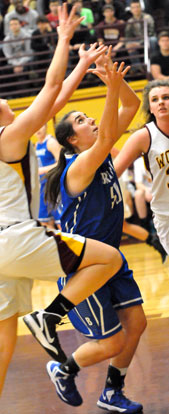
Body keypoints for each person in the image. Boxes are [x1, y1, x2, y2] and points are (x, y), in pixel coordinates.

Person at [0, 3, 123, 396]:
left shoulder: (13, 135)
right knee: (110, 257)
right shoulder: (8, 138)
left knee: (4, 342)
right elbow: (50, 92)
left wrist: (80, 62)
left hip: (2, 247)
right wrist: (65, 39)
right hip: (15, 237)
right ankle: (49, 317)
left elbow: (53, 103)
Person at [43, 50, 147, 413]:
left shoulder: (98, 154)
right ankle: (63, 368)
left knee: (137, 323)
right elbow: (104, 139)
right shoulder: (78, 166)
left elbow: (131, 107)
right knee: (111, 343)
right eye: (82, 120)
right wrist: (109, 92)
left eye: (89, 117)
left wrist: (115, 83)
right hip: (84, 269)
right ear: (73, 139)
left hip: (111, 260)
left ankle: (112, 394)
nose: (91, 121)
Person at [113, 78, 169, 256]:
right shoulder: (144, 136)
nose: (161, 102)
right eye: (155, 99)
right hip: (166, 215)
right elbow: (114, 172)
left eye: (166, 97)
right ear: (150, 108)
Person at [35, 123, 61, 228]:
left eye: (40, 125)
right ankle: (55, 244)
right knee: (44, 223)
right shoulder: (37, 145)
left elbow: (61, 163)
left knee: (60, 223)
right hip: (43, 187)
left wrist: (43, 170)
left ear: (45, 125)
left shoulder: (51, 142)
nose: (38, 129)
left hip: (53, 186)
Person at [124, 0, 157, 73]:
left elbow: (151, 33)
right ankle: (138, 68)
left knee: (153, 40)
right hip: (137, 41)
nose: (136, 9)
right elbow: (128, 36)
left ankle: (154, 62)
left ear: (140, 8)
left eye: (137, 7)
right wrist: (131, 43)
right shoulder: (130, 21)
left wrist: (139, 43)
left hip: (148, 39)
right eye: (133, 7)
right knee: (129, 45)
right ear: (131, 10)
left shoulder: (147, 17)